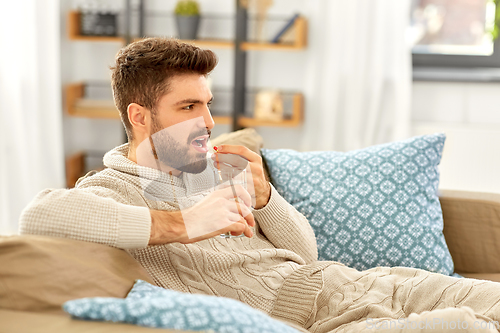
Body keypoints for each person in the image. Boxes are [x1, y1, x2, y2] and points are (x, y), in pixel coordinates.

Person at [20, 38, 500, 333]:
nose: (208, 121)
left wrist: (266, 196)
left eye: (207, 104)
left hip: (366, 283)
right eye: (188, 107)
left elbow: (306, 255)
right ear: (140, 117)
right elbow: (37, 215)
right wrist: (184, 223)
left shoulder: (211, 168)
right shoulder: (111, 190)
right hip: (326, 319)